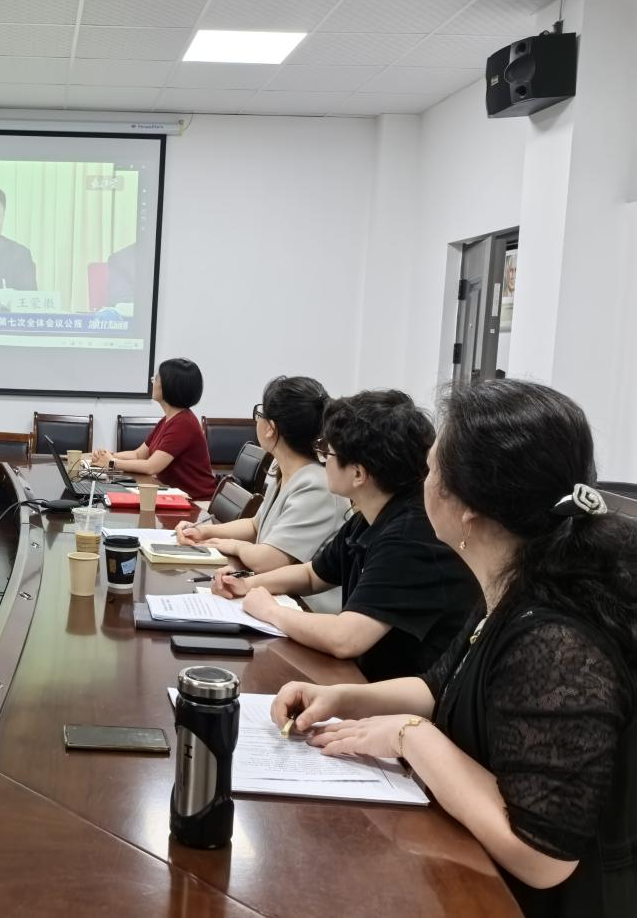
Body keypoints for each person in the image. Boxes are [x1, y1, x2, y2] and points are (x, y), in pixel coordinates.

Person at [270, 380, 637, 916]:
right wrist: (343, 699)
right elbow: (439, 686)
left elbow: (543, 856)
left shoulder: (557, 640)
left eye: (431, 470)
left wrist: (408, 735)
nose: (420, 481)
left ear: (467, 511)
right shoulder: (514, 582)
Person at [213, 390, 479, 681]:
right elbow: (313, 575)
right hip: (368, 679)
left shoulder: (410, 535)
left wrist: (271, 611)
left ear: (358, 474)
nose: (322, 461)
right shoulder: (371, 515)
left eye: (327, 452)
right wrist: (247, 584)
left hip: (401, 693)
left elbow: (346, 639)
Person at [174, 376, 348, 612]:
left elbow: (269, 560)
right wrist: (204, 531)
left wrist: (233, 545)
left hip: (307, 608)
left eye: (260, 413)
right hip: (277, 594)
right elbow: (257, 525)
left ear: (270, 428)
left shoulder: (316, 485)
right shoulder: (283, 468)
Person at [91, 358, 216, 501]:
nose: (153, 382)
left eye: (156, 378)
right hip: (175, 496)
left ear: (169, 386)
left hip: (198, 502)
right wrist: (109, 455)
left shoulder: (184, 423)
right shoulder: (168, 420)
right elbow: (138, 455)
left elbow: (151, 467)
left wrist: (111, 462)